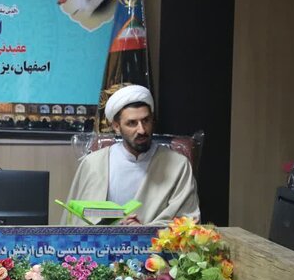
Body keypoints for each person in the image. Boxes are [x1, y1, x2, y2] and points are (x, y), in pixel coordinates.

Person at [63, 85, 199, 226]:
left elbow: (188, 220)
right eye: (132, 123)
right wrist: (114, 225)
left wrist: (142, 230)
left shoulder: (178, 165)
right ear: (116, 126)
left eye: (146, 121)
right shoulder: (93, 163)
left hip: (153, 240)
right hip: (104, 240)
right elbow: (75, 220)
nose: (142, 130)